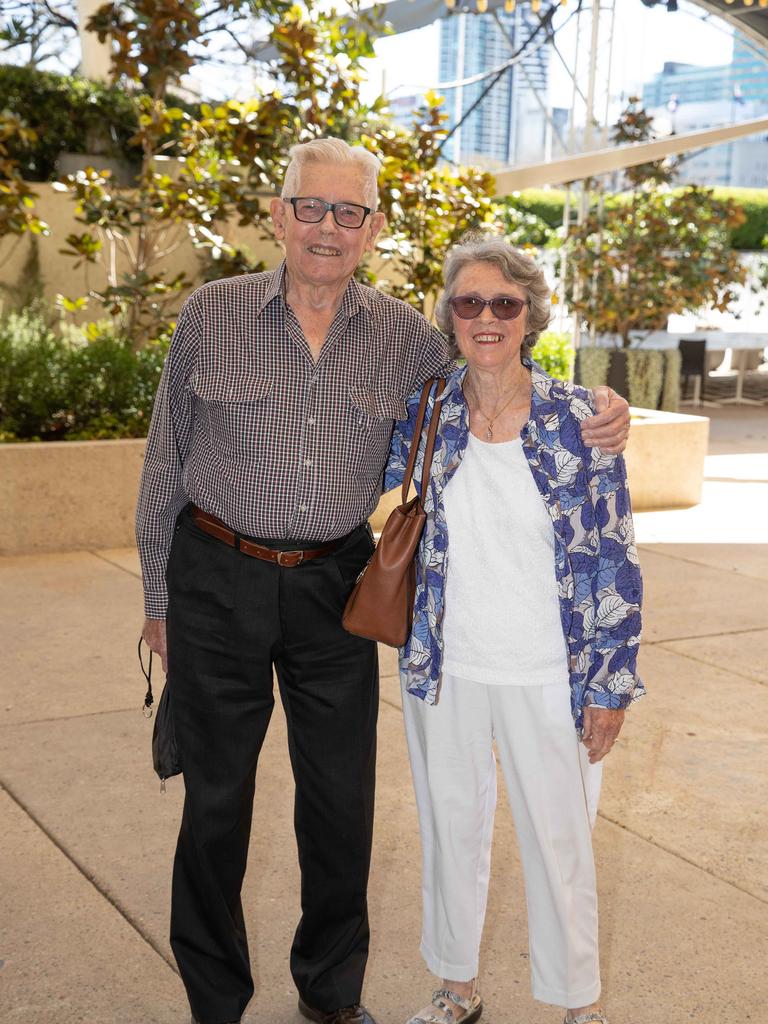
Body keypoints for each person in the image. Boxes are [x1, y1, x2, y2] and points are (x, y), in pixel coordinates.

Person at [136, 139, 632, 1024]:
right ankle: (214, 999)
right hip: (214, 577)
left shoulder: (405, 339)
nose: (329, 228)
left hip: (335, 586)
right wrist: (158, 599)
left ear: (373, 227)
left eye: (349, 212)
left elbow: (505, 383)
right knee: (215, 803)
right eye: (313, 208)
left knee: (339, 806)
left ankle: (330, 997)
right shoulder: (210, 314)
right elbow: (163, 462)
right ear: (281, 214)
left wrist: (604, 406)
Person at [383, 236, 644, 1024]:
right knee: (449, 832)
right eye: (470, 303)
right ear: (450, 317)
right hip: (446, 664)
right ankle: (456, 989)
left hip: (550, 671)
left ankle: (576, 1004)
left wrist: (612, 684)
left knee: (560, 848)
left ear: (530, 314)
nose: (487, 317)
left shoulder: (580, 418)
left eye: (505, 303)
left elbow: (615, 559)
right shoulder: (429, 411)